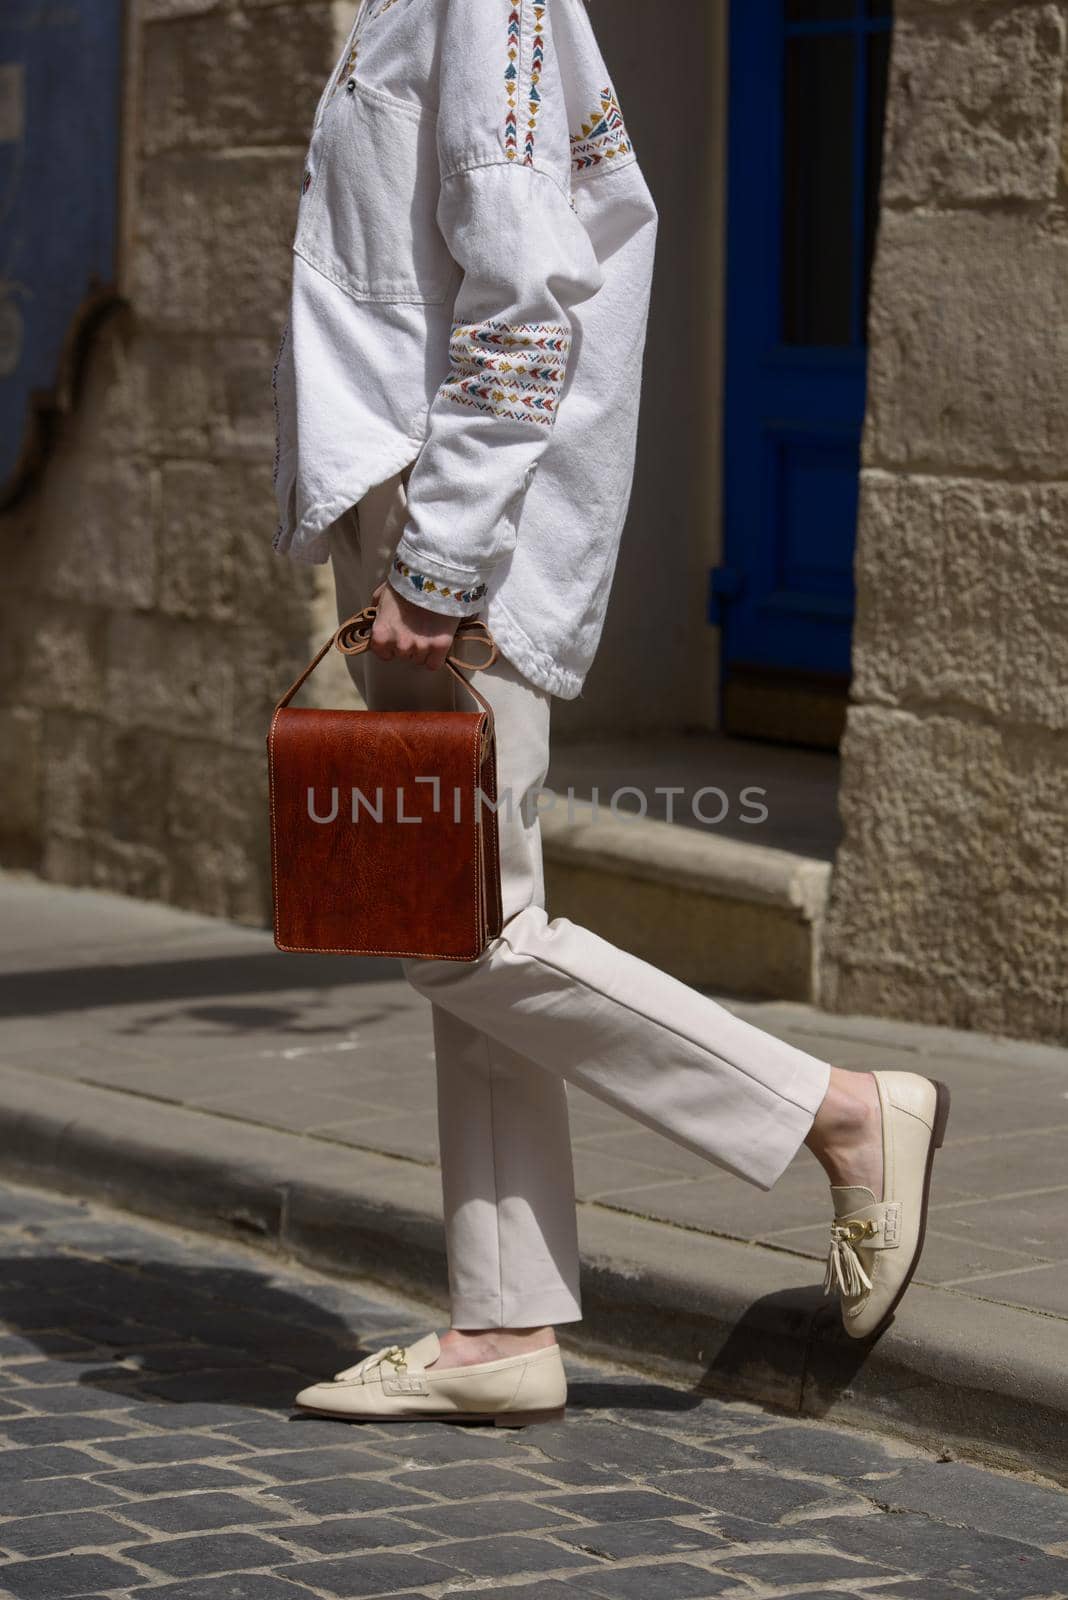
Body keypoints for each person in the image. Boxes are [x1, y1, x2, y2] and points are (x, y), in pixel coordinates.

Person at [272, 0, 951, 1427]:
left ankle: (835, 1109)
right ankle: (503, 1323)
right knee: (457, 915)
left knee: (463, 937)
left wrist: (440, 559)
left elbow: (526, 300)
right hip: (418, 506)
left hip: (453, 522)